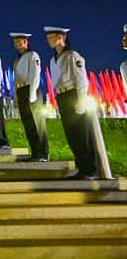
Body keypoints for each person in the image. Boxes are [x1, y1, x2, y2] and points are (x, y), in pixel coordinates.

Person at [44, 26, 100, 179]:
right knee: (71, 134)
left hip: (73, 94)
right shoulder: (53, 59)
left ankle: (90, 169)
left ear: (61, 37)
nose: (48, 40)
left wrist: (81, 100)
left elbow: (81, 79)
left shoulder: (72, 55)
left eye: (51, 37)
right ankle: (81, 167)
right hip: (62, 96)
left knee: (82, 133)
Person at [9, 32, 48, 162]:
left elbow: (35, 75)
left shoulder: (32, 55)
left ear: (26, 42)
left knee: (37, 123)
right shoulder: (17, 60)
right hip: (21, 90)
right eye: (15, 42)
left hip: (31, 89)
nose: (17, 44)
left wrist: (32, 94)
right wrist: (15, 97)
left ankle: (42, 153)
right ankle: (35, 151)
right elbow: (15, 80)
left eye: (19, 41)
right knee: (28, 123)